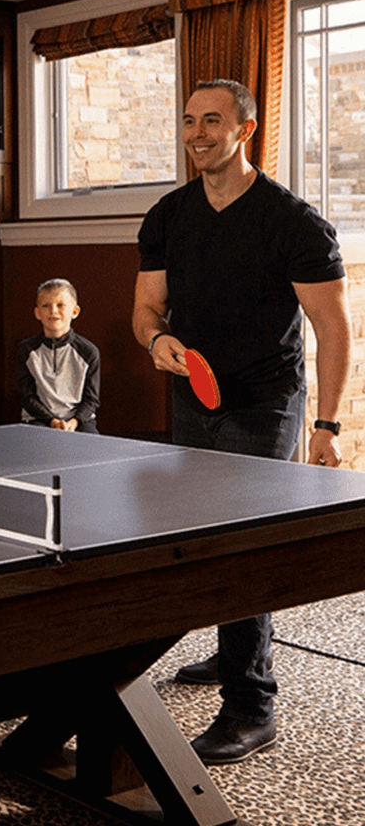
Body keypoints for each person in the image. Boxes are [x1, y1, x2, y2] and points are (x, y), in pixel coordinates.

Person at [132, 78, 351, 766]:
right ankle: (232, 651)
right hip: (194, 398)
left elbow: (333, 330)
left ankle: (250, 705)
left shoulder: (293, 222)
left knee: (245, 545)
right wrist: (155, 341)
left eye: (213, 121)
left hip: (265, 400)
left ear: (246, 129)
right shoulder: (169, 215)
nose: (198, 132)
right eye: (190, 120)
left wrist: (327, 425)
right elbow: (146, 311)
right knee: (198, 535)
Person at [16, 278, 100, 433]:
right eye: (46, 306)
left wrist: (73, 423)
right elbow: (27, 397)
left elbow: (92, 400)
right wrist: (52, 421)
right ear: (37, 313)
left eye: (60, 305)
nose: (53, 311)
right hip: (38, 419)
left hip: (78, 420)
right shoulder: (26, 350)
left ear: (75, 311)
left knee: (93, 447)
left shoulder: (89, 351)